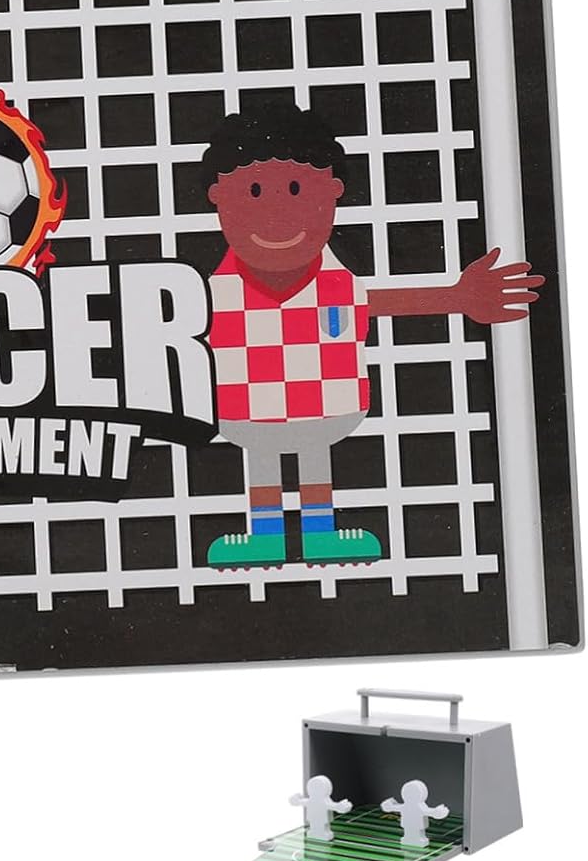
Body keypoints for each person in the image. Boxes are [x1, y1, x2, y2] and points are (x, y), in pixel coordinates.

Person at [200, 102, 540, 569]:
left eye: (296, 189)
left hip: (326, 403)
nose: (277, 213)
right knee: (263, 458)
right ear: (218, 196)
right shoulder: (213, 292)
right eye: (254, 191)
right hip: (245, 406)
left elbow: (382, 301)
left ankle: (319, 533)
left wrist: (459, 297)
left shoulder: (337, 284)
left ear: (333, 192)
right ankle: (267, 536)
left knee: (312, 456)